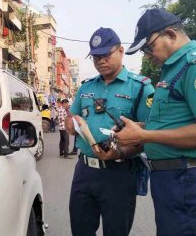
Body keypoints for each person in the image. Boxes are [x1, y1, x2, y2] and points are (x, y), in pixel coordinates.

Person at [115, 8, 196, 236]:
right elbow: (172, 124)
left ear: (171, 35)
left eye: (148, 47)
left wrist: (144, 136)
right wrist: (139, 128)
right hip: (172, 180)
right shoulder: (173, 70)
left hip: (187, 180)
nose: (147, 55)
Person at [65, 27, 155, 236]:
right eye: (96, 57)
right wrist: (71, 125)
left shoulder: (140, 87)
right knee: (80, 229)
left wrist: (121, 152)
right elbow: (73, 117)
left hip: (119, 174)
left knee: (116, 231)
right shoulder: (85, 87)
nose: (100, 61)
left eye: (105, 54)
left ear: (121, 51)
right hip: (85, 171)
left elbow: (148, 136)